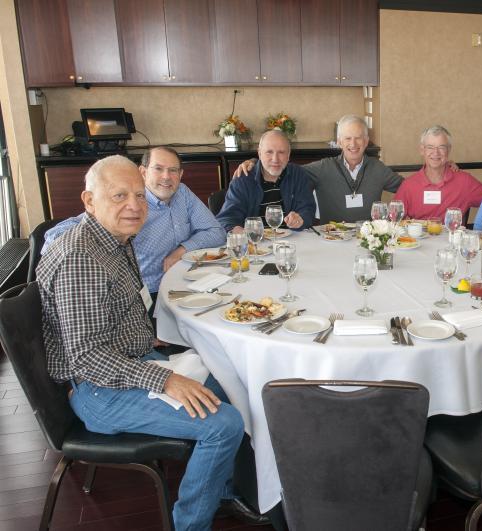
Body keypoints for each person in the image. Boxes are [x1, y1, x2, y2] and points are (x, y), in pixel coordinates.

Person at [36, 156, 246, 529]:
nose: (134, 206)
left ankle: (222, 493)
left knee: (232, 384)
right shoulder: (80, 257)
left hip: (134, 362)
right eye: (119, 196)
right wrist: (167, 379)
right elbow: (88, 358)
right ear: (89, 200)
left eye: (139, 195)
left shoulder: (113, 238)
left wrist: (158, 345)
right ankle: (190, 525)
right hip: (98, 390)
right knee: (224, 423)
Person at [43, 147, 226, 297]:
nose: (166, 177)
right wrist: (73, 253)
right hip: (144, 293)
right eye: (158, 169)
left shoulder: (182, 193)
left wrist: (181, 250)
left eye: (173, 170)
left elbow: (216, 232)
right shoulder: (130, 206)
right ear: (143, 172)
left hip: (184, 284)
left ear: (181, 174)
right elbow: (57, 236)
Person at [233, 115, 404, 223]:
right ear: (339, 142)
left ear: (367, 142)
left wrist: (430, 179)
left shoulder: (378, 168)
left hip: (368, 239)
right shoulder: (323, 167)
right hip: (332, 239)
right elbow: (283, 167)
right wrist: (255, 162)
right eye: (347, 138)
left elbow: (409, 188)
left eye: (359, 138)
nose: (353, 144)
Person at [217, 129, 315, 231]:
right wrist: (236, 229)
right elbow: (226, 218)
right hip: (254, 241)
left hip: (290, 242)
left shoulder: (298, 174)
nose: (275, 159)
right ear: (259, 153)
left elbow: (308, 208)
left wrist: (301, 219)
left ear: (288, 155)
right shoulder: (243, 179)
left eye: (281, 152)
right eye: (269, 152)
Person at [393, 125, 482, 221]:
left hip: (451, 235)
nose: (436, 153)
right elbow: (394, 220)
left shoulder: (465, 182)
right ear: (422, 150)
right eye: (430, 147)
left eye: (441, 147)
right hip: (417, 236)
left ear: (449, 150)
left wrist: (481, 227)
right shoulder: (409, 185)